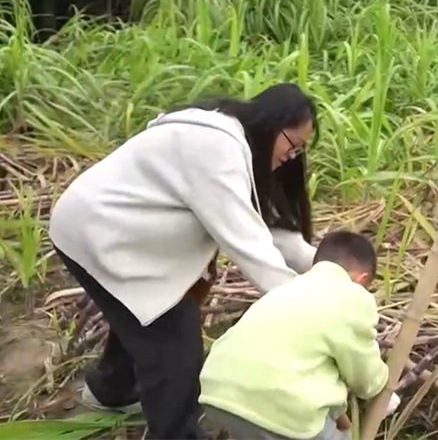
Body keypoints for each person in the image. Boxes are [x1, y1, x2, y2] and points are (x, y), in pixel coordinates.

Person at [47, 82, 321, 439]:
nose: (293, 156)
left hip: (124, 237)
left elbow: (266, 228)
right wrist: (312, 309)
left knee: (144, 317)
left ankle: (112, 391)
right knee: (176, 349)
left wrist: (323, 265)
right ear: (272, 125)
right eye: (293, 144)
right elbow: (250, 246)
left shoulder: (235, 149)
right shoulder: (216, 150)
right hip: (98, 232)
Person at [199, 230, 402, 440]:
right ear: (362, 278)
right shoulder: (353, 297)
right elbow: (365, 376)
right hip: (282, 404)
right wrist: (382, 388)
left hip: (218, 390)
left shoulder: (285, 289)